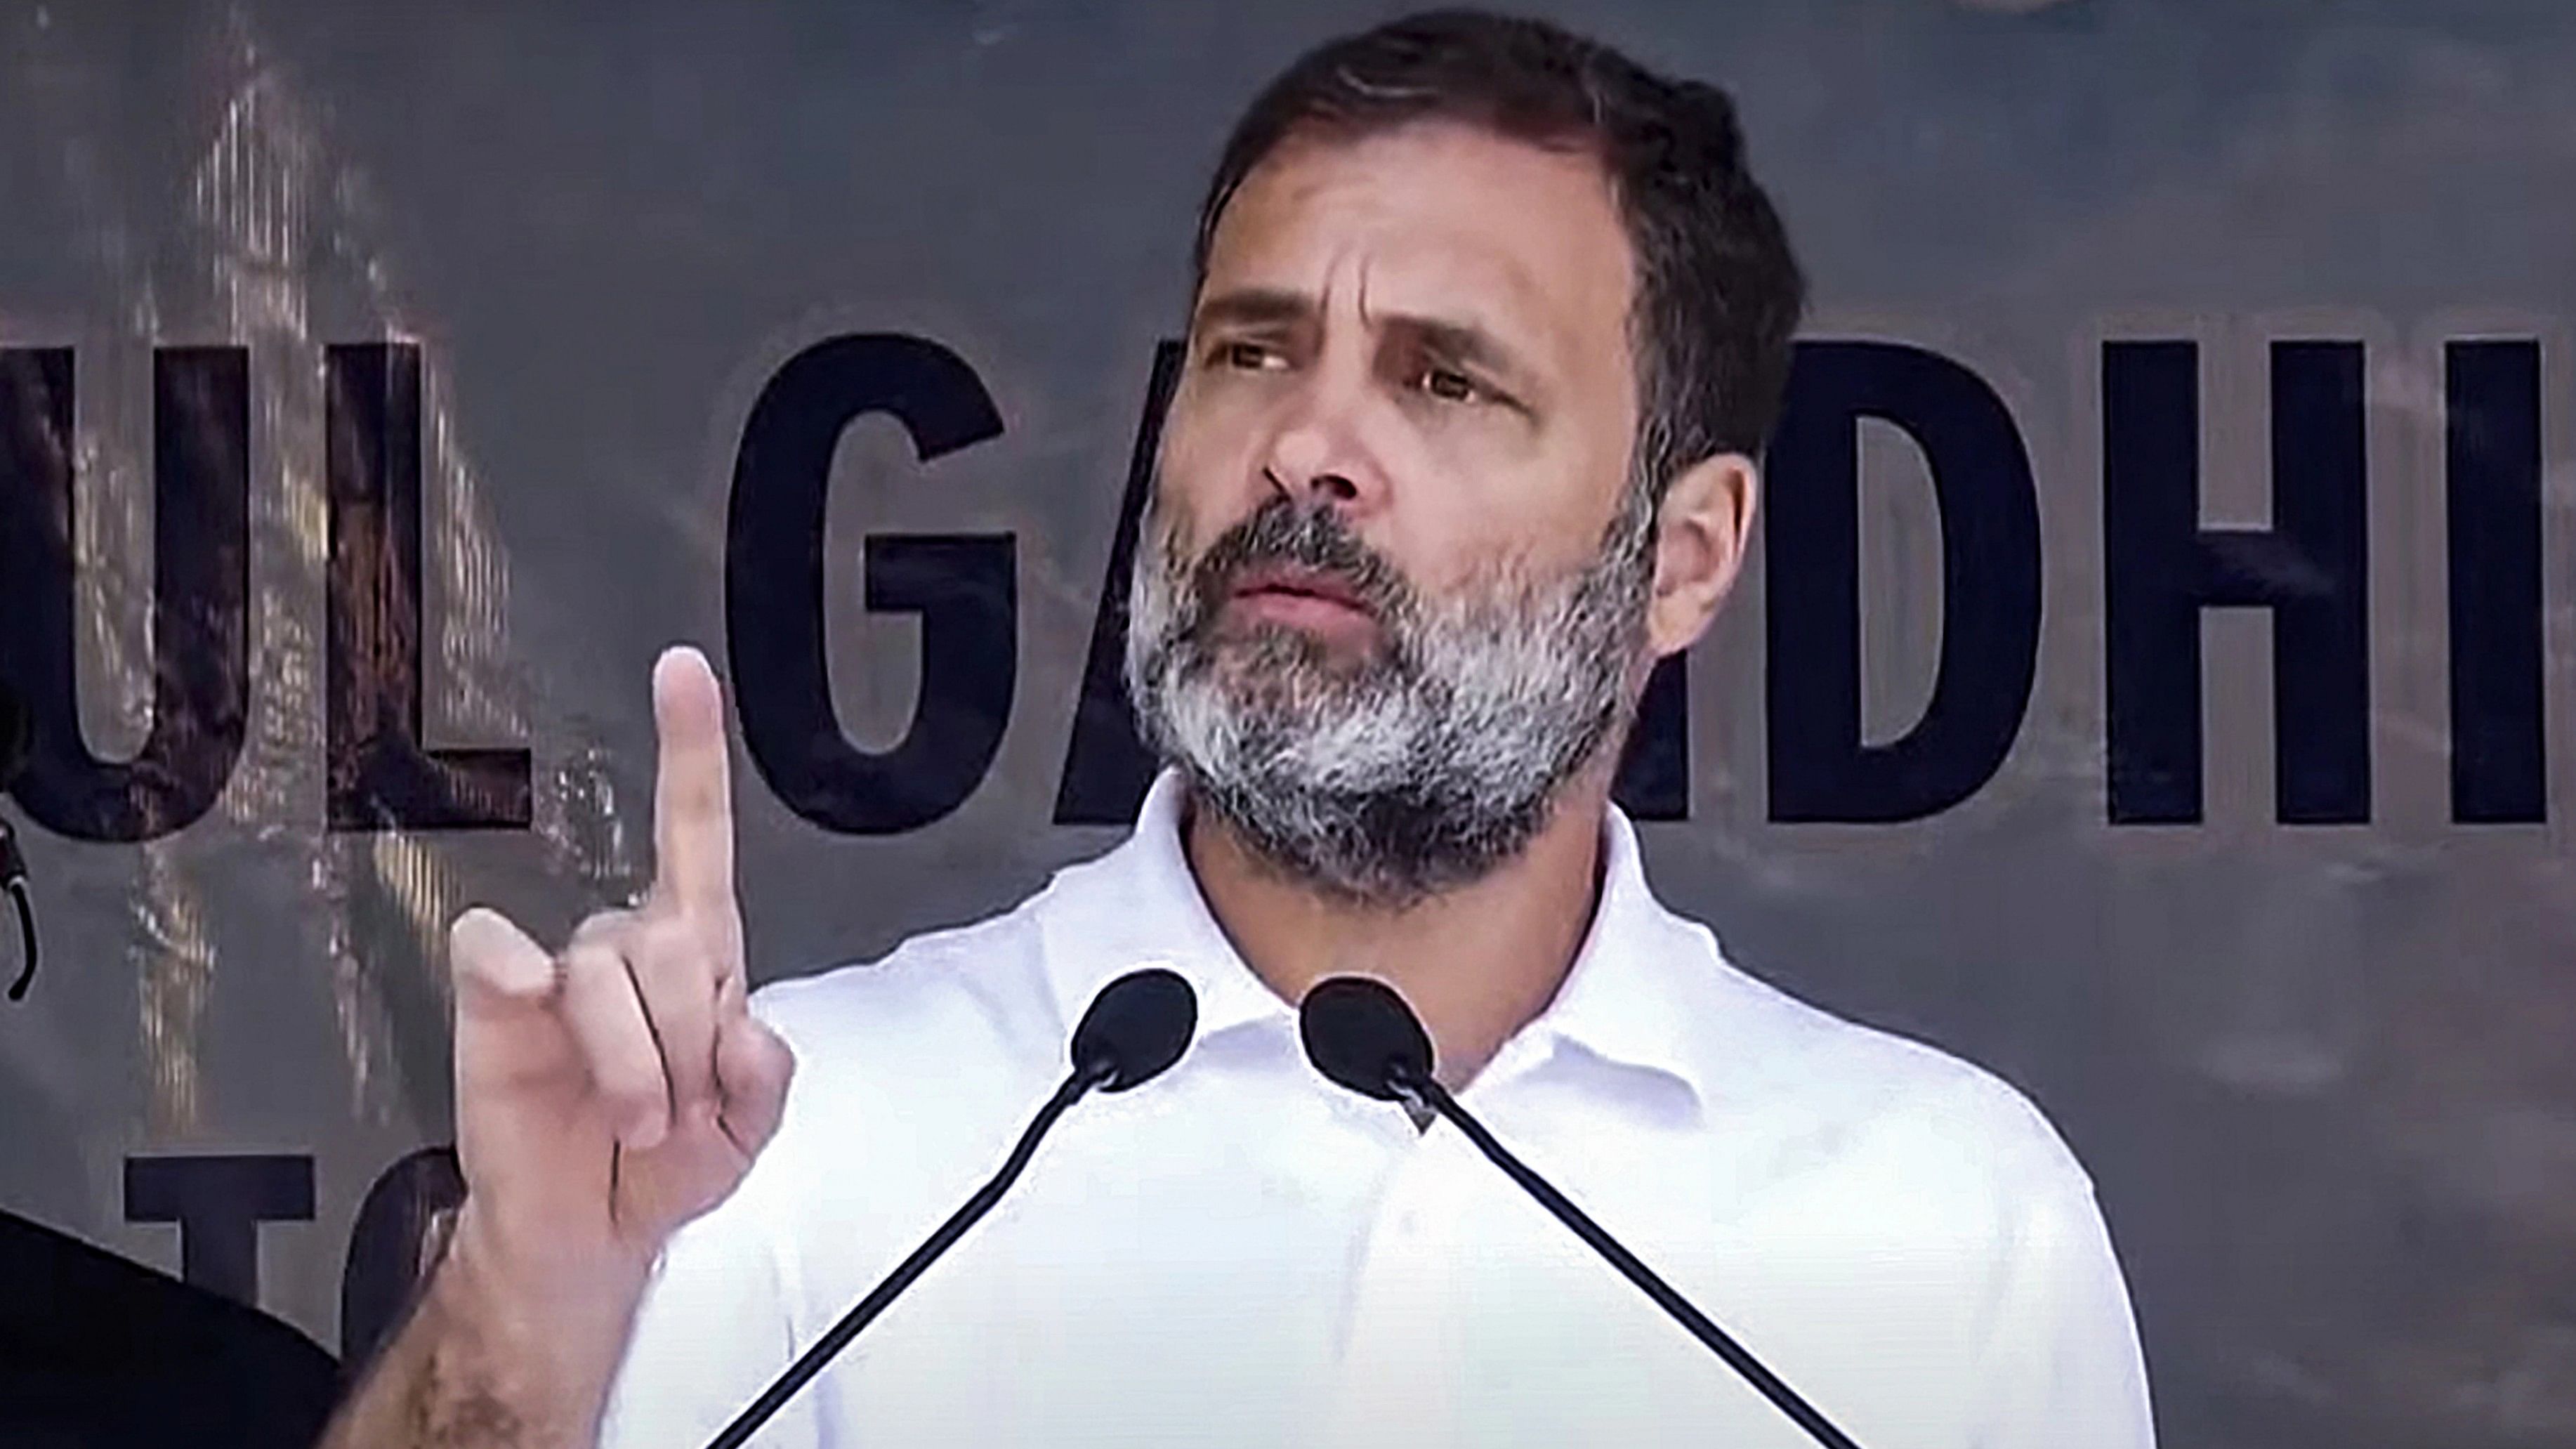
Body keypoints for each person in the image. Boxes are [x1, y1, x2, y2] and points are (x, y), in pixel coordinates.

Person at [321, 11, 2156, 1447]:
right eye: (1251, 351)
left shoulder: (1941, 1220)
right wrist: (534, 1297)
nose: (1303, 446)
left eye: (1446, 379)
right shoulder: (791, 1143)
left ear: (1682, 557)